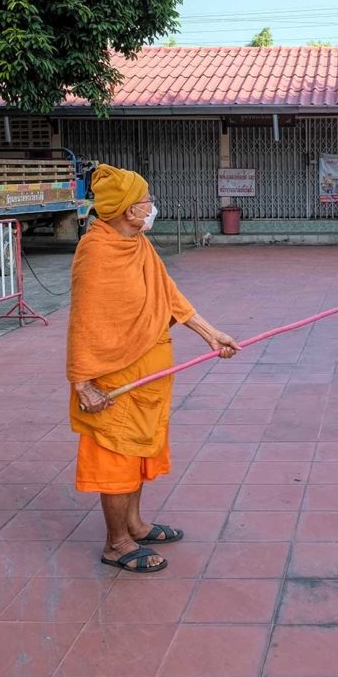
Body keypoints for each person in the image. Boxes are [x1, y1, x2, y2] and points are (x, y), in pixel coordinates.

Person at [66, 164, 238, 573]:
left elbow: (169, 294)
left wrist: (210, 333)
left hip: (150, 376)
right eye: (147, 201)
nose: (152, 207)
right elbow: (83, 321)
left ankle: (136, 525)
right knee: (117, 457)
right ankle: (117, 543)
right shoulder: (97, 252)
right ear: (128, 210)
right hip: (114, 379)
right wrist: (82, 383)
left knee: (141, 449)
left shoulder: (138, 243)